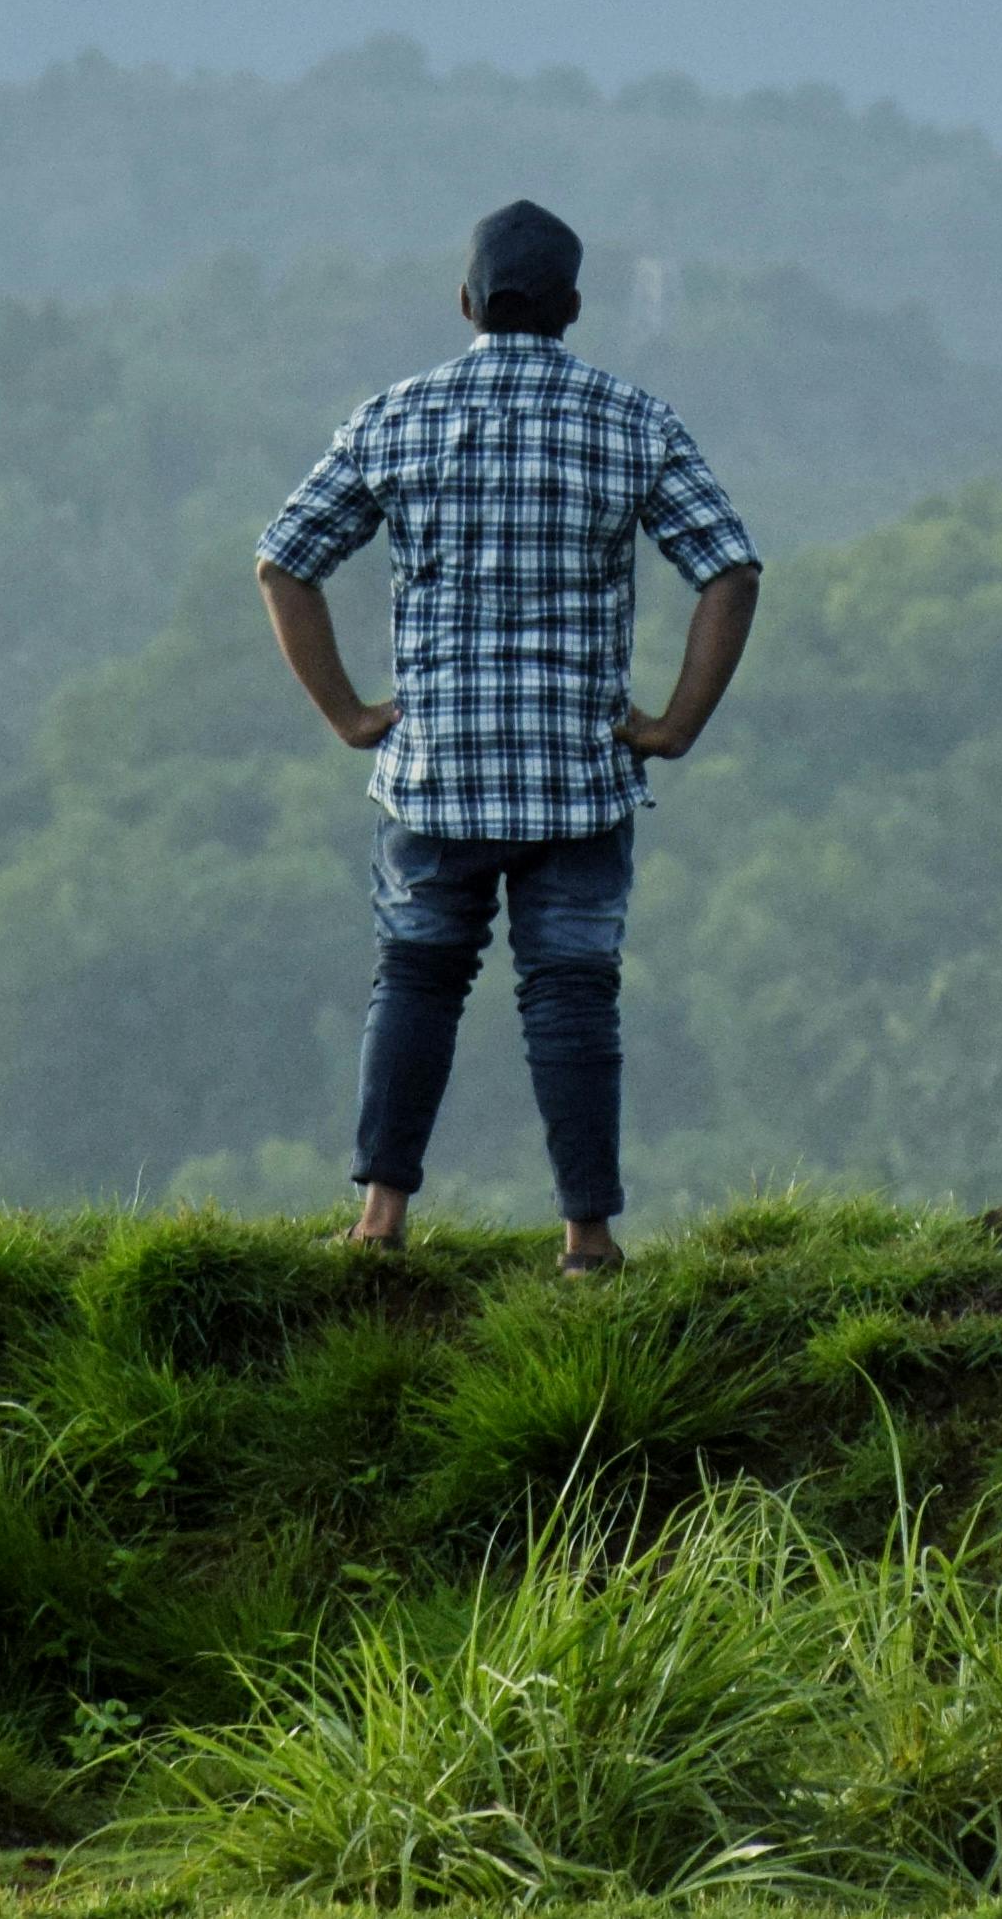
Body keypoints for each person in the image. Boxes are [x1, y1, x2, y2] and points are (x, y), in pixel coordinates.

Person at [256, 198, 761, 1269]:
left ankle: (380, 1222)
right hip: (579, 776)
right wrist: (673, 725)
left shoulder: (399, 414)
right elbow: (730, 568)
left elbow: (284, 560)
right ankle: (588, 1238)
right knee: (572, 994)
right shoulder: (633, 422)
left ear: (466, 302)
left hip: (436, 773)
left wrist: (350, 713)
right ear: (574, 307)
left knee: (419, 979)